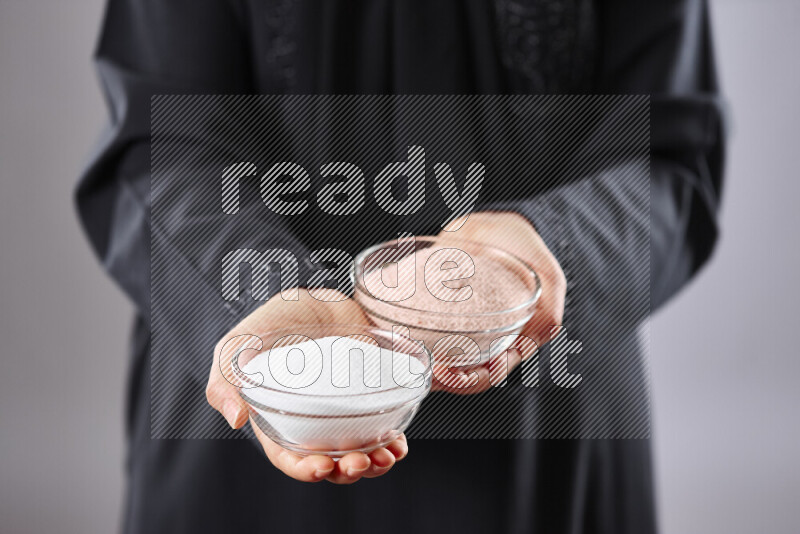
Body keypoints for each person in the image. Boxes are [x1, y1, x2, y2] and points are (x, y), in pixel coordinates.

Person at [76, 1, 725, 532]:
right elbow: (160, 142)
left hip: (546, 435)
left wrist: (545, 246)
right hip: (244, 435)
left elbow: (668, 156)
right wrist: (266, 307)